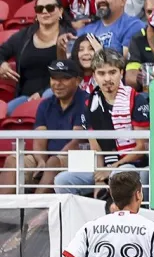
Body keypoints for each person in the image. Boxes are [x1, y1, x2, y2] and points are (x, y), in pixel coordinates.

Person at [54, 48, 150, 197]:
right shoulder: (89, 104)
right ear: (94, 76)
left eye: (112, 72)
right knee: (62, 180)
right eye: (101, 73)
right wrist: (99, 177)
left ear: (121, 73)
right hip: (105, 166)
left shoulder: (136, 100)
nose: (107, 79)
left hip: (133, 165)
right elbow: (96, 149)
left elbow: (142, 147)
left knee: (118, 175)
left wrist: (112, 167)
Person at [0, 60, 89, 195]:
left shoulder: (86, 100)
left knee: (53, 162)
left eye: (64, 79)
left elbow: (78, 141)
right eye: (54, 78)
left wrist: (51, 161)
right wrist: (41, 160)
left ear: (77, 81)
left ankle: (35, 208)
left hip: (78, 157)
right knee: (14, 160)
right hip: (47, 157)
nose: (58, 84)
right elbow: (40, 138)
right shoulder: (45, 104)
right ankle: (4, 208)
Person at [0, 0, 75, 115]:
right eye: (40, 9)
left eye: (50, 8)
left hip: (55, 92)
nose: (45, 12)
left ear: (60, 11)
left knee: (47, 99)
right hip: (25, 97)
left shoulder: (69, 37)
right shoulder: (24, 36)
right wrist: (2, 64)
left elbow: (71, 71)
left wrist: (41, 93)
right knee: (6, 112)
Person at [62, 0, 145, 53]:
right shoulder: (85, 29)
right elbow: (71, 64)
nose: (101, 0)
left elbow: (124, 62)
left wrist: (99, 52)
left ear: (123, 1)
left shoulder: (134, 26)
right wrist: (61, 48)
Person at [124, 0, 154, 90]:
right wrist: (140, 79)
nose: (153, 17)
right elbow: (130, 78)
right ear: (144, 13)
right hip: (149, 94)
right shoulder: (139, 38)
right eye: (149, 12)